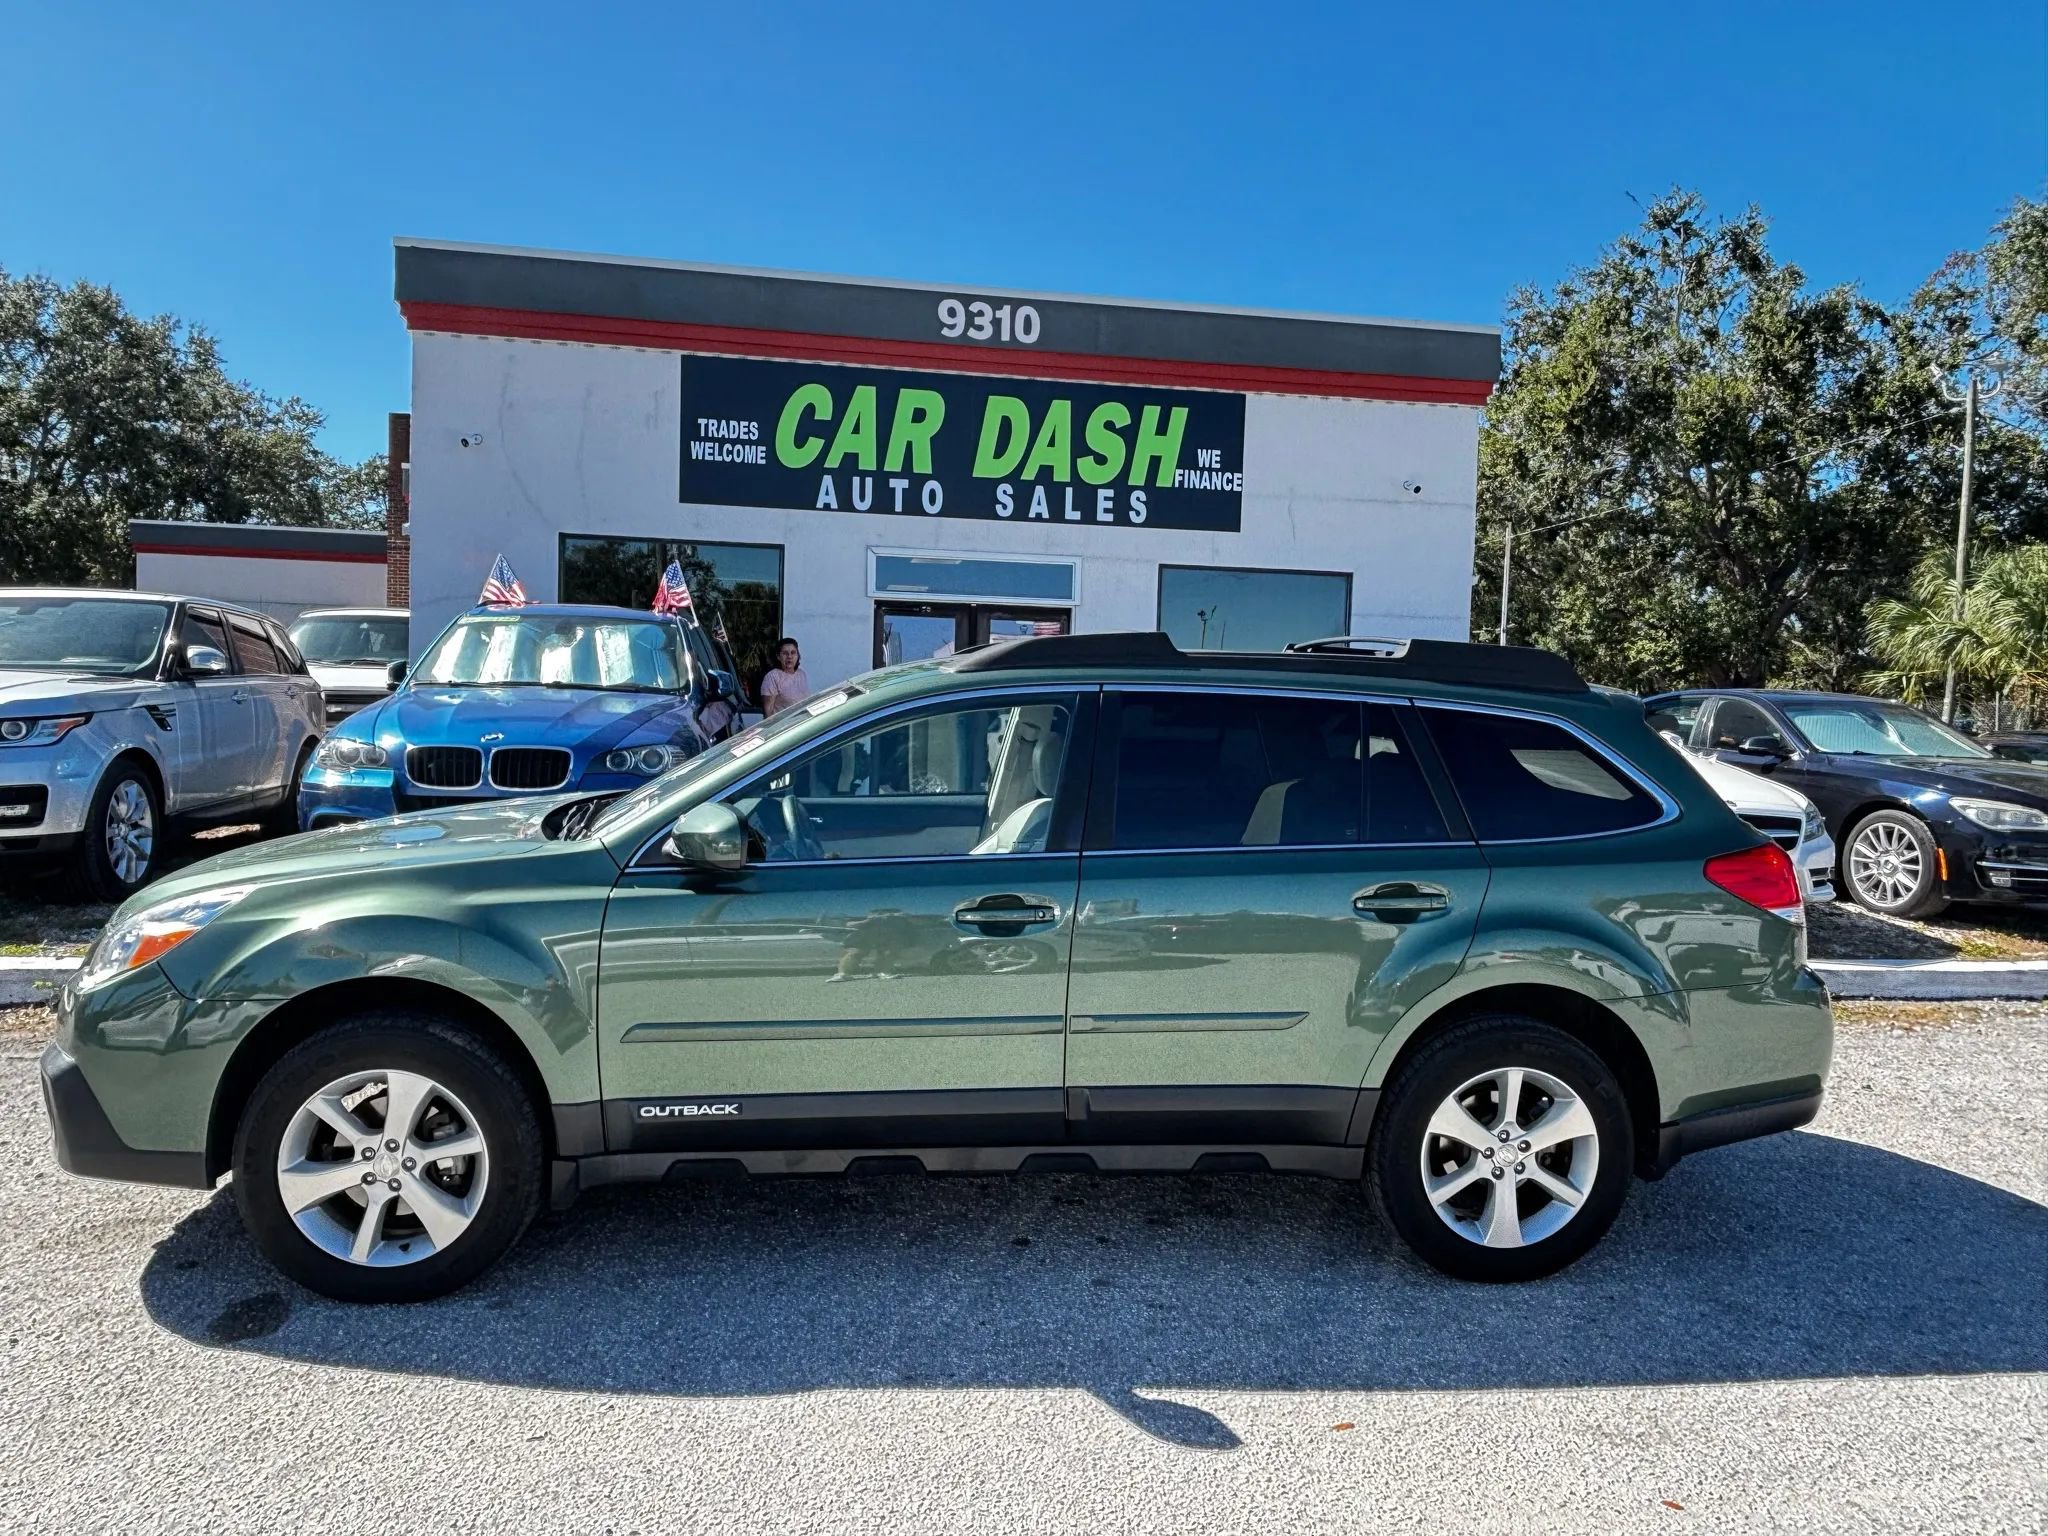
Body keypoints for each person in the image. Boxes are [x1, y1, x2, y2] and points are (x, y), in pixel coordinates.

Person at [760, 636, 810, 716]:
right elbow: (768, 714)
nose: (789, 657)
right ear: (778, 657)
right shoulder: (772, 677)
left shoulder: (801, 674)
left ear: (798, 655)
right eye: (785, 653)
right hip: (784, 726)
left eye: (793, 653)